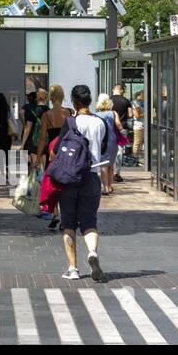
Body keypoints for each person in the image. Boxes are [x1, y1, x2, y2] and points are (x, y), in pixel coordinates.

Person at [55, 84, 108, 282]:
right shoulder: (101, 122)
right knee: (89, 222)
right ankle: (92, 251)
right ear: (90, 101)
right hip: (92, 177)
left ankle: (73, 269)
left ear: (75, 102)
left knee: (68, 224)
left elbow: (57, 150)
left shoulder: (70, 122)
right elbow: (102, 147)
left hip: (69, 178)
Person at [95, 93, 120, 195]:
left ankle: (105, 187)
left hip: (102, 141)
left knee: (103, 165)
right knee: (110, 164)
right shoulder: (113, 113)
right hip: (113, 141)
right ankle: (110, 186)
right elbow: (118, 124)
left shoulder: (96, 115)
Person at [39, 85, 70, 169]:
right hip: (66, 149)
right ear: (62, 96)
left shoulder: (46, 115)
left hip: (52, 149)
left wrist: (38, 158)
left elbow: (42, 139)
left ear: (51, 97)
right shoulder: (69, 113)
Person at [110, 84, 132, 179]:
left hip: (110, 127)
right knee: (119, 151)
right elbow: (130, 114)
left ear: (113, 90)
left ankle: (108, 172)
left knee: (109, 150)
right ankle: (117, 173)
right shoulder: (126, 101)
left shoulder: (109, 100)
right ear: (122, 91)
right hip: (122, 127)